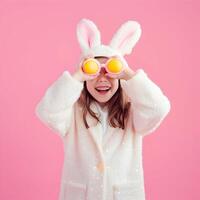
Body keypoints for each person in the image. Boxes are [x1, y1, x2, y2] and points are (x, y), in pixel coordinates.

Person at [35, 18, 171, 200]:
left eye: (109, 72)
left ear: (119, 77)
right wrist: (77, 77)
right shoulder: (73, 111)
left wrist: (129, 75)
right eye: (94, 73)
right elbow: (47, 111)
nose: (102, 79)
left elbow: (159, 108)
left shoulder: (132, 110)